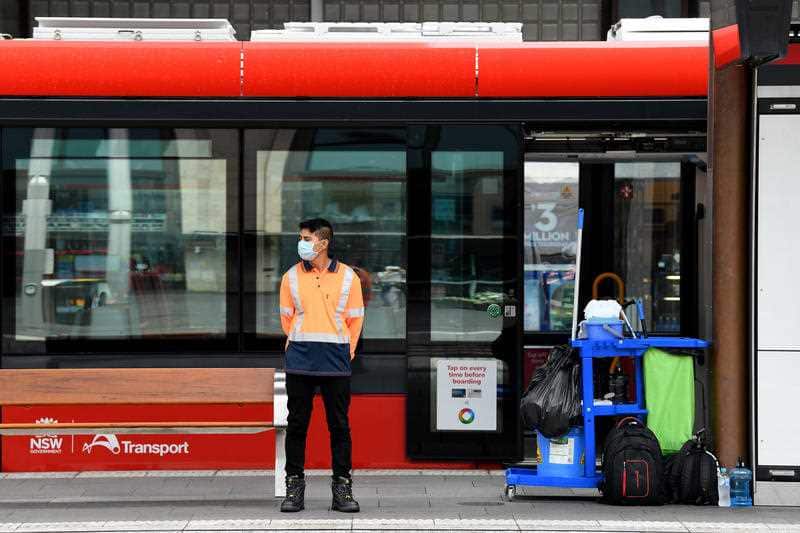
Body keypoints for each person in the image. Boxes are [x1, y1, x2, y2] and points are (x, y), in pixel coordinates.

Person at [278, 218, 364, 513]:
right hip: (300, 360)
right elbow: (286, 320)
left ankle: (342, 490)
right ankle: (294, 488)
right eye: (300, 237)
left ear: (322, 243)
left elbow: (356, 321)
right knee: (297, 425)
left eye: (305, 237)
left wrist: (345, 352)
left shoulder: (349, 277)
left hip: (336, 361)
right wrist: (298, 346)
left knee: (339, 426)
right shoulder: (290, 277)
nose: (301, 242)